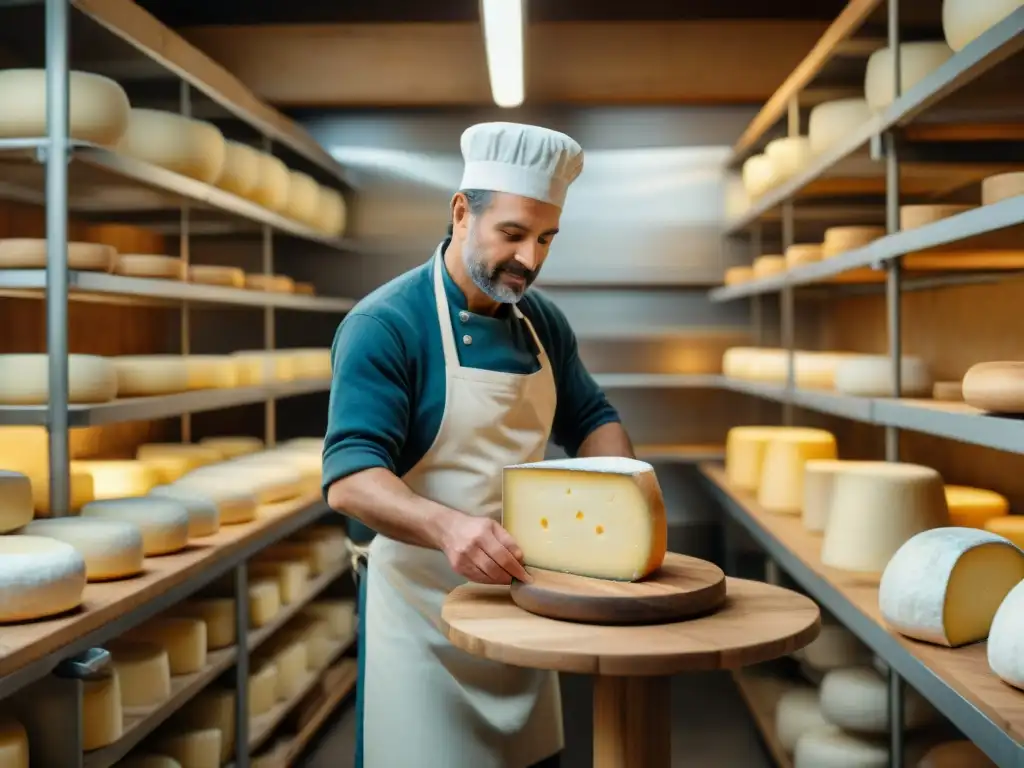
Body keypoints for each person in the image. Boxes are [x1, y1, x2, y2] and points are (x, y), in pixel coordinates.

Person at [322, 121, 638, 768]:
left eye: (546, 238)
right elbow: (350, 477)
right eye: (513, 234)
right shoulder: (386, 325)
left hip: (523, 612)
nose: (531, 259)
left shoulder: (542, 322)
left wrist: (626, 502)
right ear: (462, 213)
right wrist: (448, 529)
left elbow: (594, 418)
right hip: (420, 621)